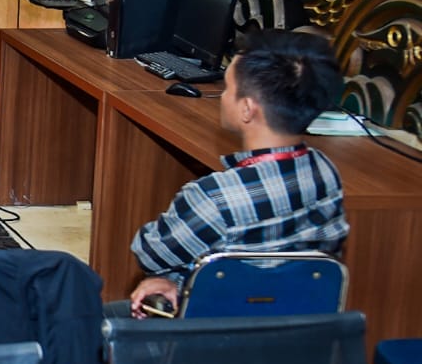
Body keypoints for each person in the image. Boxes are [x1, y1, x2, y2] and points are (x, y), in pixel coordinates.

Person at [128, 30, 348, 317]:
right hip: (293, 332)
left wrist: (172, 278)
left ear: (247, 108)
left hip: (208, 334)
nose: (221, 96)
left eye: (227, 88)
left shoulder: (213, 197)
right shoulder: (326, 172)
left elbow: (150, 252)